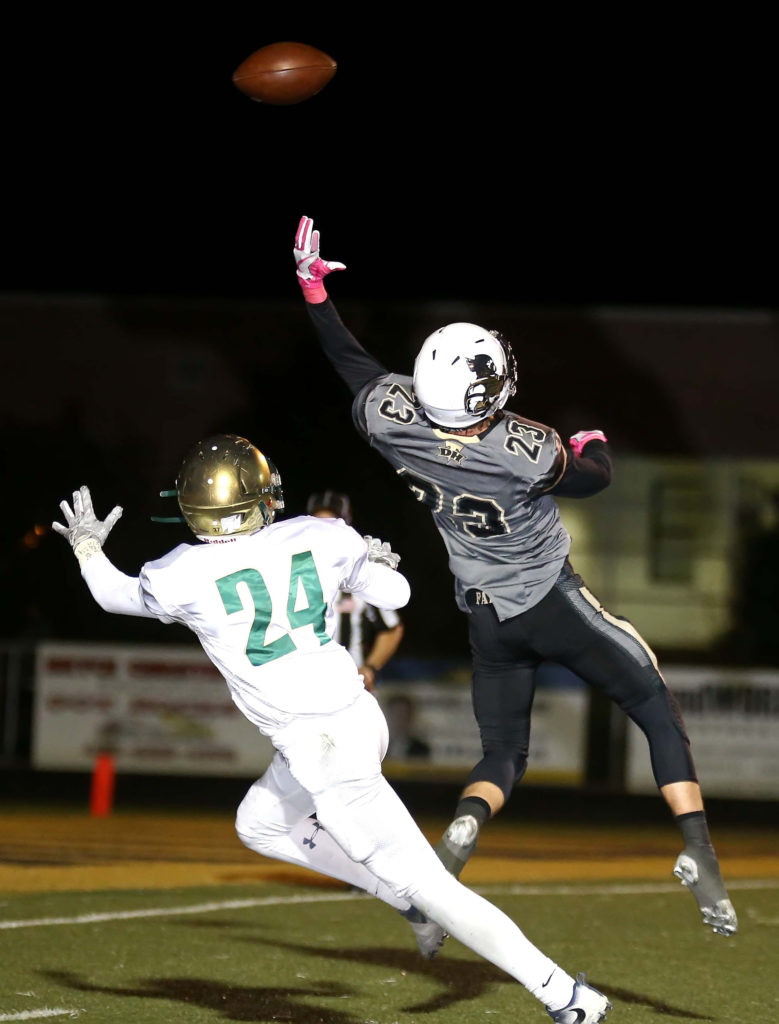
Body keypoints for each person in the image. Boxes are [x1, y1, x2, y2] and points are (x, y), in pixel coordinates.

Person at [52, 434, 611, 1024]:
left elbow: (113, 595)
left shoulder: (182, 571)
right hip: (354, 720)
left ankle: (565, 996)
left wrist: (88, 547)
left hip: (320, 750)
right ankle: (400, 898)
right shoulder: (321, 536)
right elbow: (399, 593)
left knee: (435, 887)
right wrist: (365, 564)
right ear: (262, 499)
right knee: (260, 823)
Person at [292, 214, 738, 945]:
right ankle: (697, 848)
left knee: (502, 754)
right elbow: (590, 479)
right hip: (549, 599)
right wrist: (592, 443)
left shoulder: (387, 419)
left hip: (483, 614)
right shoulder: (520, 449)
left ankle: (457, 840)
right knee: (653, 703)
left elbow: (351, 362)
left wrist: (313, 290)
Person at [306, 489, 404, 692]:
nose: (325, 530)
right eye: (318, 523)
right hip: (303, 685)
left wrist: (370, 668)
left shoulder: (358, 572)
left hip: (349, 686)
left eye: (332, 523)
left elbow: (392, 627)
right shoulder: (291, 570)